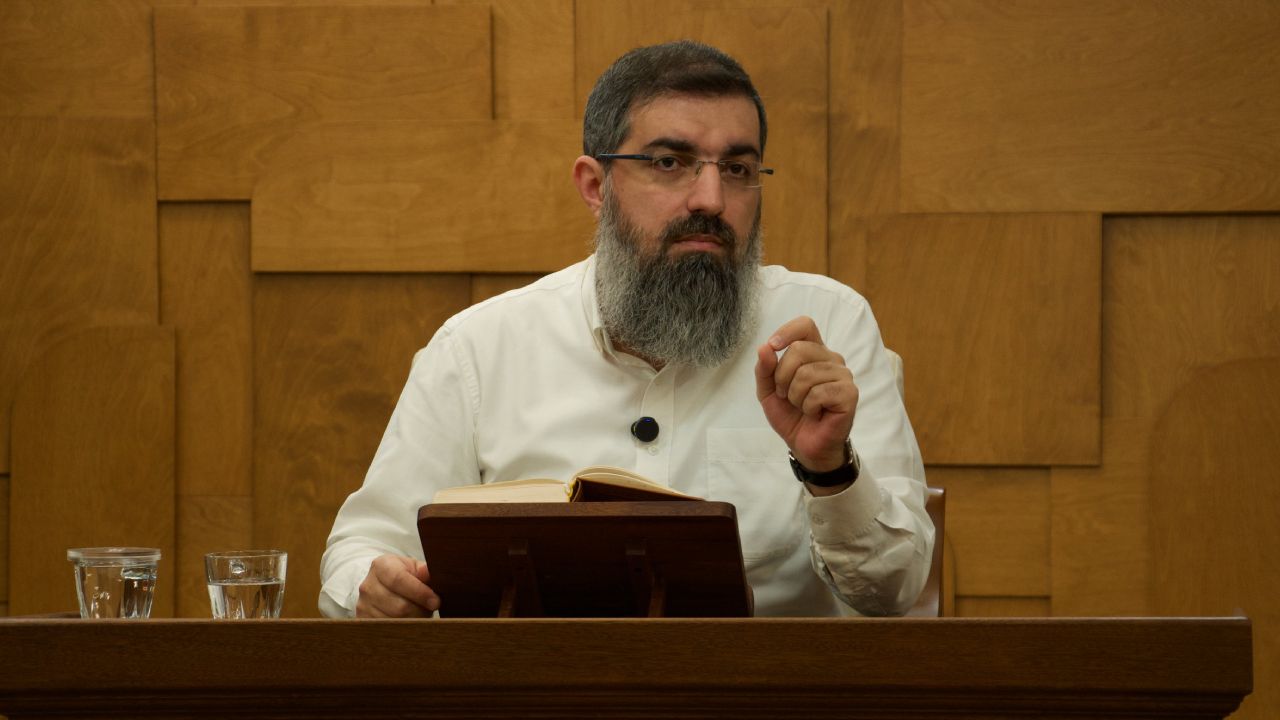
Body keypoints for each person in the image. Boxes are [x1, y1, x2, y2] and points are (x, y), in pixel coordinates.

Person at [319, 40, 933, 618]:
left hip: (759, 681)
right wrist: (375, 586)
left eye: (737, 168)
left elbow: (896, 590)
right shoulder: (479, 348)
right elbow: (359, 549)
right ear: (595, 185)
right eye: (670, 162)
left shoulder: (828, 328)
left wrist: (829, 470)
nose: (711, 199)